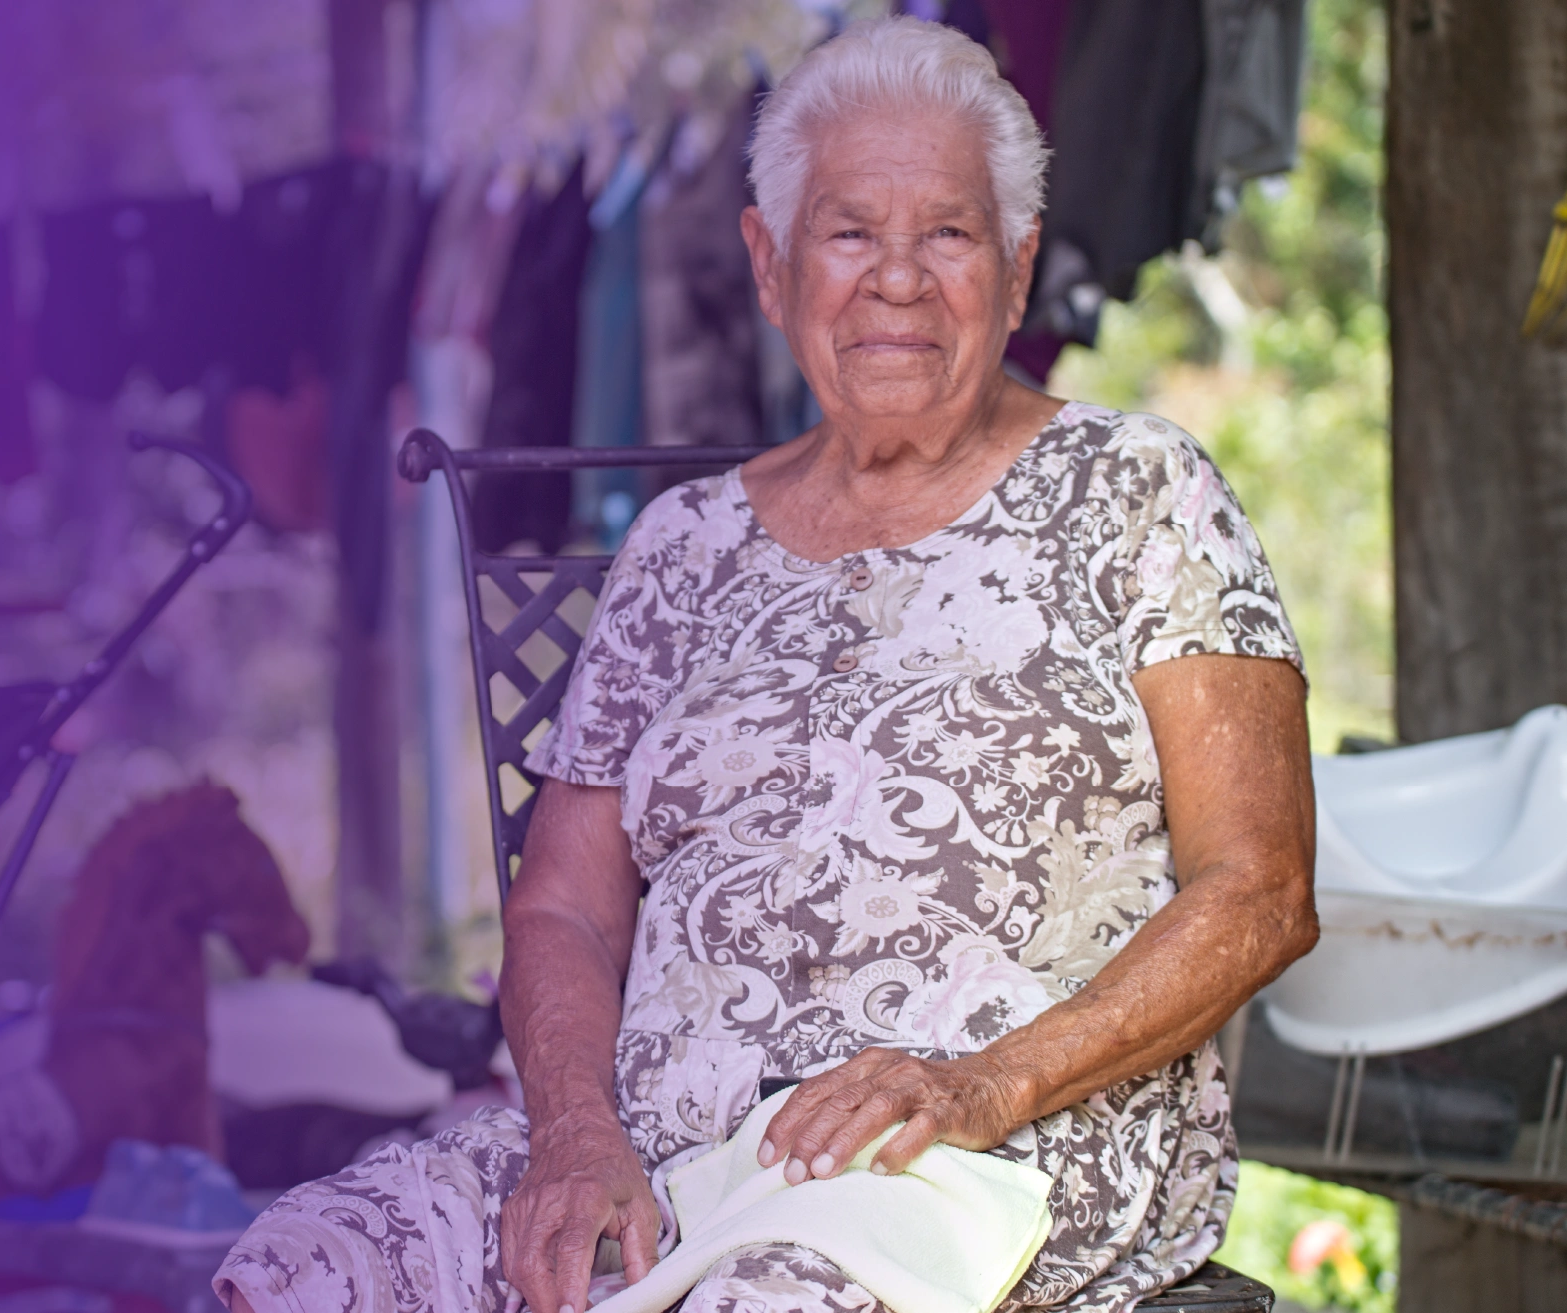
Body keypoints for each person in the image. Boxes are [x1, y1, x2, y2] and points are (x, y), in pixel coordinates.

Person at [215, 16, 1318, 1312]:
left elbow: (1261, 887)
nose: (898, 280)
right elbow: (565, 908)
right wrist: (576, 1135)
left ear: (1018, 271)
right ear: (770, 265)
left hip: (974, 1153)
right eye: (849, 233)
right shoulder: (682, 547)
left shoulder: (1140, 494)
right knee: (306, 1266)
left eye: (949, 234)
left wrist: (987, 1083)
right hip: (651, 1160)